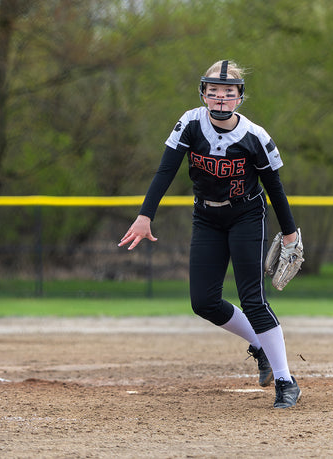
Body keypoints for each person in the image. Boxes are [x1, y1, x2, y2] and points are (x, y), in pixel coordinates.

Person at [118, 60, 302, 408]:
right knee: (203, 302)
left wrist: (290, 233)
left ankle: (285, 380)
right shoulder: (190, 123)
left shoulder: (254, 136)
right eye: (213, 91)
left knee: (253, 300)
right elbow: (166, 170)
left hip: (247, 214)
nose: (220, 98)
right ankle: (260, 345)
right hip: (206, 216)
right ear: (203, 93)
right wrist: (145, 215)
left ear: (239, 98)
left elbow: (274, 188)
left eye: (228, 93)